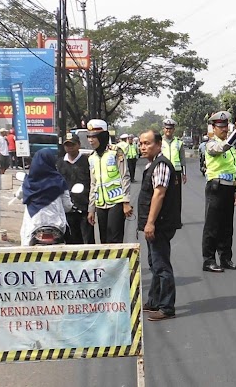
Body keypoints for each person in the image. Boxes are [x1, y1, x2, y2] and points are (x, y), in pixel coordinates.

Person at [137, 130, 181, 321]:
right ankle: (154, 301)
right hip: (156, 223)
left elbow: (159, 194)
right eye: (141, 144)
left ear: (158, 144)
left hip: (160, 224)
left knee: (161, 265)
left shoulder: (161, 165)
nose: (143, 147)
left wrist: (150, 223)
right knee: (154, 263)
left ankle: (166, 307)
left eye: (147, 143)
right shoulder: (152, 165)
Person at [202, 111, 236, 273]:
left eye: (226, 126)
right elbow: (223, 147)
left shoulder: (230, 146)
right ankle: (209, 260)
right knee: (212, 226)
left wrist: (235, 189)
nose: (224, 129)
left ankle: (225, 258)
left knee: (227, 226)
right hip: (216, 188)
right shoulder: (211, 144)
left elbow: (232, 169)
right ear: (213, 128)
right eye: (220, 127)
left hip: (229, 188)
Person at [86, 119, 133, 243]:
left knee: (115, 238)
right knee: (104, 239)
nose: (90, 140)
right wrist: (91, 209)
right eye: (88, 137)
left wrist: (126, 201)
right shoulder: (92, 157)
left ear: (102, 136)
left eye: (94, 137)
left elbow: (125, 177)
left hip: (116, 202)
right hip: (100, 203)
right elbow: (93, 184)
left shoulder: (115, 152)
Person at [17, 149, 72, 246]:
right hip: (57, 225)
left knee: (25, 246)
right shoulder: (59, 181)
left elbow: (19, 195)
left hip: (33, 225)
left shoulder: (28, 182)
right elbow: (67, 206)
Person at [57, 132, 95, 244]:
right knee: (71, 241)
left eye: (72, 144)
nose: (70, 147)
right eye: (67, 145)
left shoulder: (87, 161)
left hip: (84, 209)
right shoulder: (59, 163)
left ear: (78, 145)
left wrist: (91, 209)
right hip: (67, 210)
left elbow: (93, 183)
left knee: (87, 241)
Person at [161, 118, 186, 223]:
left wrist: (184, 174)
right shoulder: (159, 142)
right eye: (166, 129)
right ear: (163, 129)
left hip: (176, 172)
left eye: (170, 129)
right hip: (163, 170)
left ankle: (176, 220)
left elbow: (183, 159)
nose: (168, 131)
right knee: (163, 195)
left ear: (173, 130)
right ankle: (164, 218)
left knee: (176, 197)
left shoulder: (179, 143)